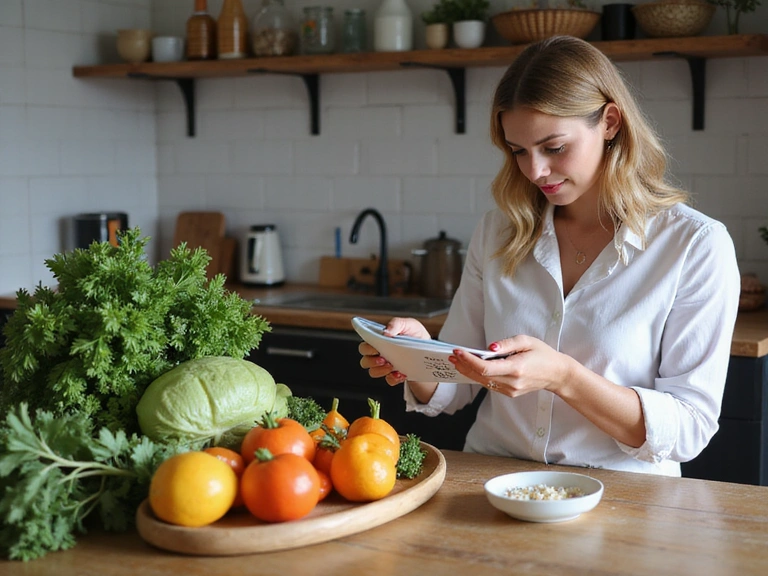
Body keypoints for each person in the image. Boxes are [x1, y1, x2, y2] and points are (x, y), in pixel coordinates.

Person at [358, 36, 740, 476]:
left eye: (554, 147)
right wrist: (416, 356)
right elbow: (456, 385)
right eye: (518, 151)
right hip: (493, 481)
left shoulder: (695, 245)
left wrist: (564, 377)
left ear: (610, 122)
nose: (535, 170)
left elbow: (689, 427)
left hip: (625, 500)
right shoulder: (498, 231)